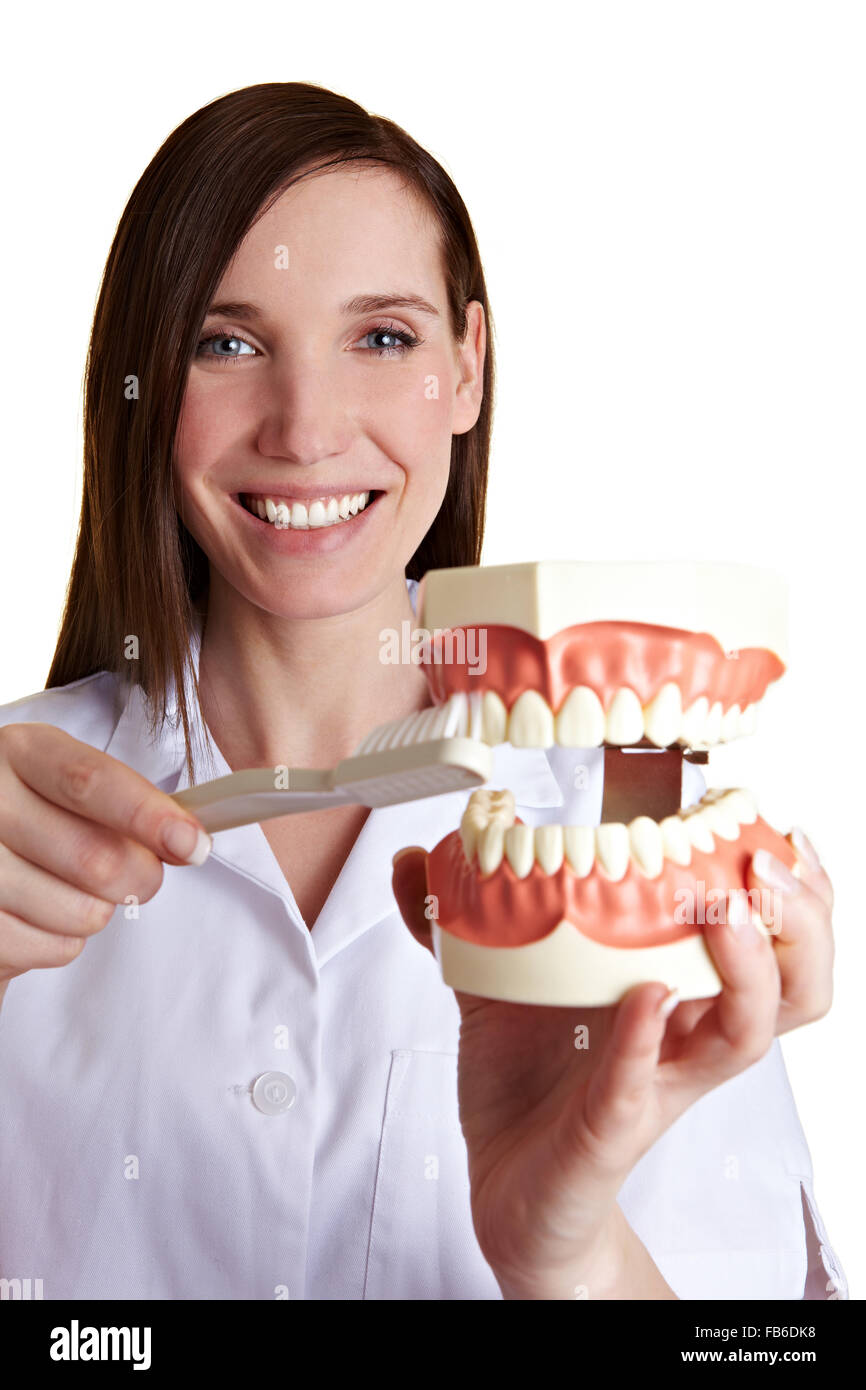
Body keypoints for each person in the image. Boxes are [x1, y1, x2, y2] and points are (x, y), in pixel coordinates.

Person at [0, 81, 847, 1301]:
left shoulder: (642, 845)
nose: (304, 427)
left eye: (381, 337)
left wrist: (571, 1248)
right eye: (226, 342)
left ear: (467, 367)